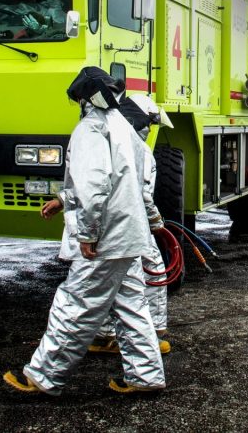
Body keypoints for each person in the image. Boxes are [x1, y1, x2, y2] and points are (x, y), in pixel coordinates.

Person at [3, 67, 165, 396]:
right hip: (130, 236)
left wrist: (88, 233)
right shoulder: (123, 126)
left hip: (106, 236)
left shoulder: (90, 128)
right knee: (132, 306)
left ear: (83, 97)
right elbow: (133, 180)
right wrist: (151, 220)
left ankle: (43, 376)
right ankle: (145, 376)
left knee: (76, 303)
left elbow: (95, 186)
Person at [88, 94, 174, 353]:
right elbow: (143, 195)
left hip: (106, 227)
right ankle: (155, 334)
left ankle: (104, 335)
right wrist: (157, 223)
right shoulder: (141, 152)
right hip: (132, 226)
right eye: (149, 123)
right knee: (153, 270)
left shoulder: (108, 142)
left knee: (105, 279)